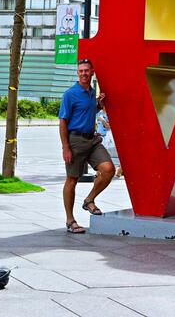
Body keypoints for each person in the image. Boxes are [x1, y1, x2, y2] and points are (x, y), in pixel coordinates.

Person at [59, 59, 114, 234]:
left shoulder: (91, 93)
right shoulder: (70, 94)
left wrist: (99, 104)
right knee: (72, 179)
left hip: (92, 140)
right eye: (81, 71)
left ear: (92, 72)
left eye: (86, 70)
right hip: (75, 141)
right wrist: (66, 147)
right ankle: (70, 220)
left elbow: (88, 111)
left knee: (109, 169)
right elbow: (63, 122)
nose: (84, 73)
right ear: (78, 73)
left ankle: (89, 200)